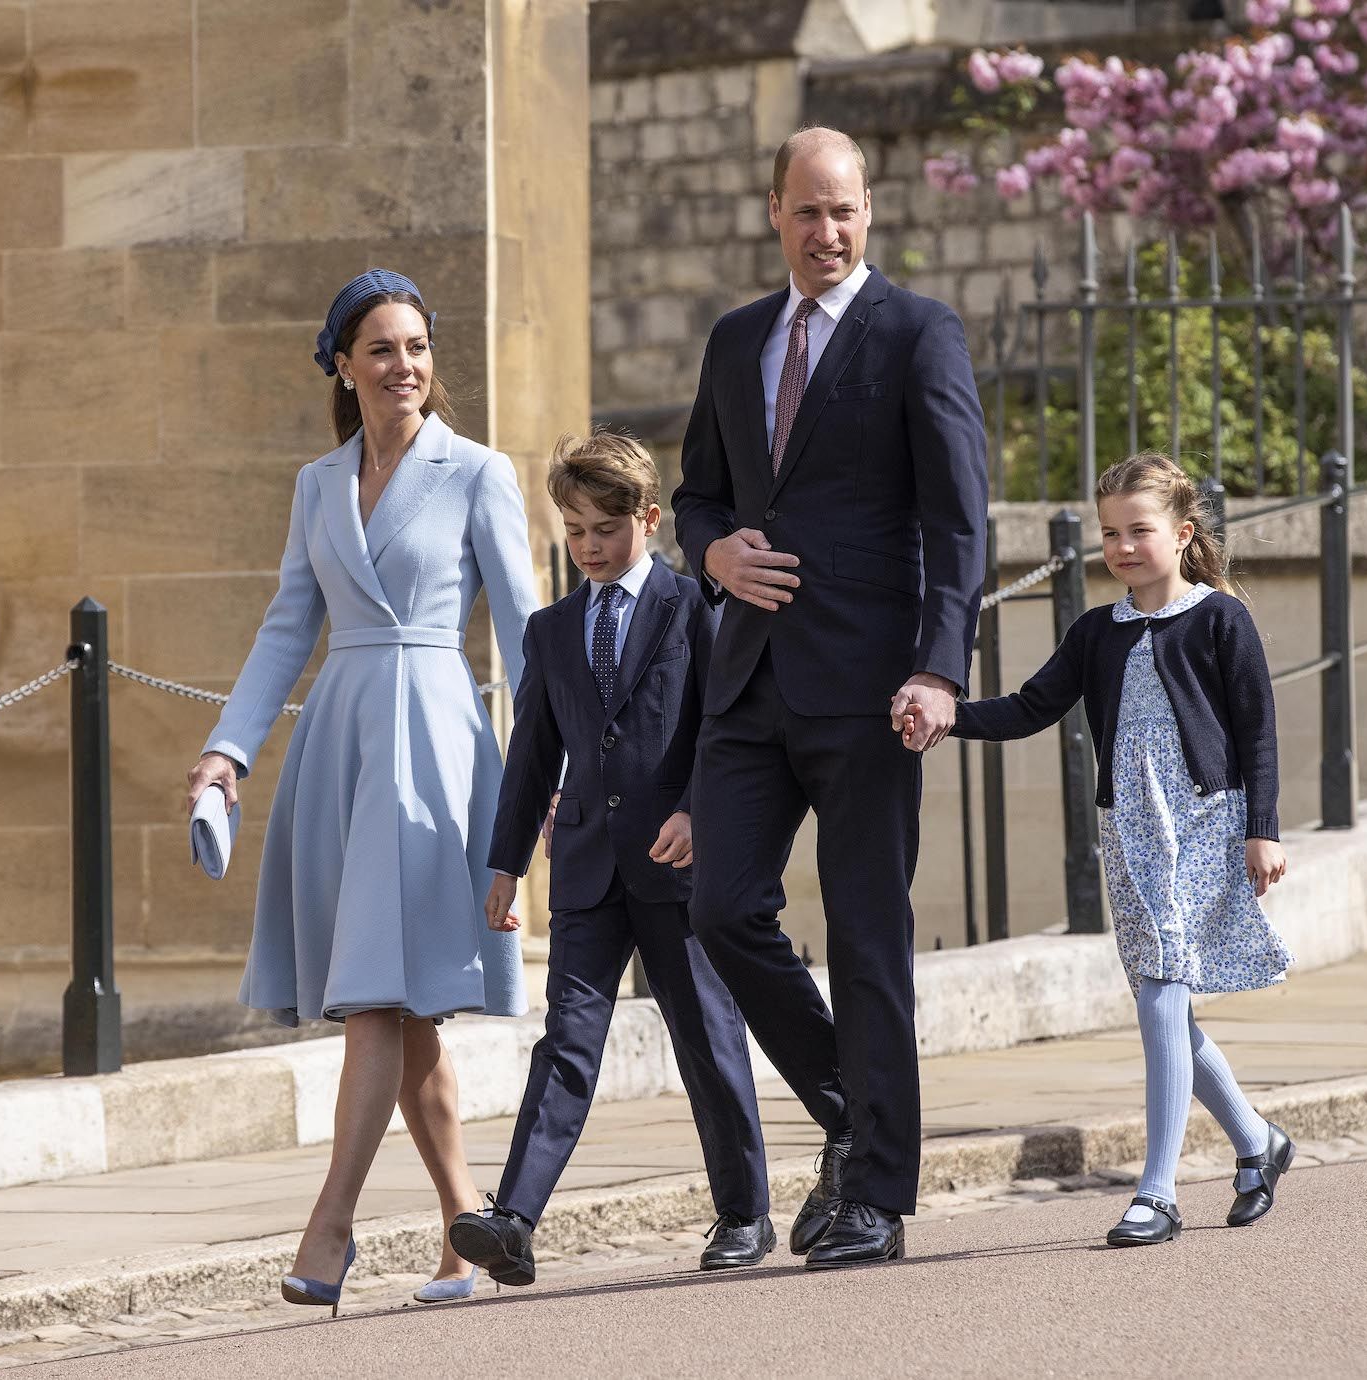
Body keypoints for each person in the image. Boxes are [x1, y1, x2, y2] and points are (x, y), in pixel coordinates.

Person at [181, 269, 538, 1311]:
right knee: (401, 1007)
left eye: (418, 347)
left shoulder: (478, 472)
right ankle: (464, 1230)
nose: (404, 367)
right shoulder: (315, 485)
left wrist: (546, 775)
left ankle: (328, 1227)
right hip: (340, 745)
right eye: (380, 349)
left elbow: (524, 638)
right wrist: (227, 752)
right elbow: (287, 626)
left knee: (379, 1002)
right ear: (341, 364)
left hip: (434, 749)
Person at [672, 127, 988, 1270]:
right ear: (773, 213)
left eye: (843, 211)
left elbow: (958, 522)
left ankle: (876, 1199)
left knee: (864, 939)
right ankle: (852, 1111)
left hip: (869, 689)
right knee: (718, 910)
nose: (826, 232)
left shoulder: (916, 332)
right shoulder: (736, 339)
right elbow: (694, 495)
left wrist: (937, 668)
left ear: (870, 211)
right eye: (806, 212)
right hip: (748, 682)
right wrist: (711, 557)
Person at [938, 452, 1296, 1247]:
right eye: (1110, 533)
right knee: (1159, 999)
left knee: (1166, 985)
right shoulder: (1097, 630)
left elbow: (1258, 730)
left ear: (1182, 532)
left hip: (1203, 819)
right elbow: (1031, 707)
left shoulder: (1221, 618)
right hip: (1128, 826)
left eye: (1140, 529)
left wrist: (1262, 829)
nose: (1123, 546)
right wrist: (946, 714)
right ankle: (1257, 1144)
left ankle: (1158, 1191)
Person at [449, 429, 775, 1285]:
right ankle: (514, 1218)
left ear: (650, 519)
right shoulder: (553, 632)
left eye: (605, 528)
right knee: (567, 1039)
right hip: (589, 866)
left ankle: (744, 1213)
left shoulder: (693, 605)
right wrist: (505, 862)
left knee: (706, 1035)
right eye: (574, 529)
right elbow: (532, 755)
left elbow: (727, 726)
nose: (588, 547)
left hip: (675, 863)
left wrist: (699, 813)